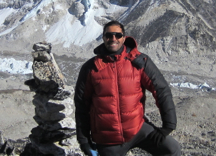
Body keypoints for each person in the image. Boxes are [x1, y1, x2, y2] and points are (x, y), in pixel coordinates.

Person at [74, 20, 181, 156]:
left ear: (124, 38)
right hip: (108, 138)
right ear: (103, 38)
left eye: (118, 35)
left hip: (137, 129)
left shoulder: (139, 61)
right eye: (109, 35)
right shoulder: (90, 68)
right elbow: (82, 105)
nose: (113, 39)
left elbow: (161, 89)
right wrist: (84, 141)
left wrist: (168, 125)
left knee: (172, 149)